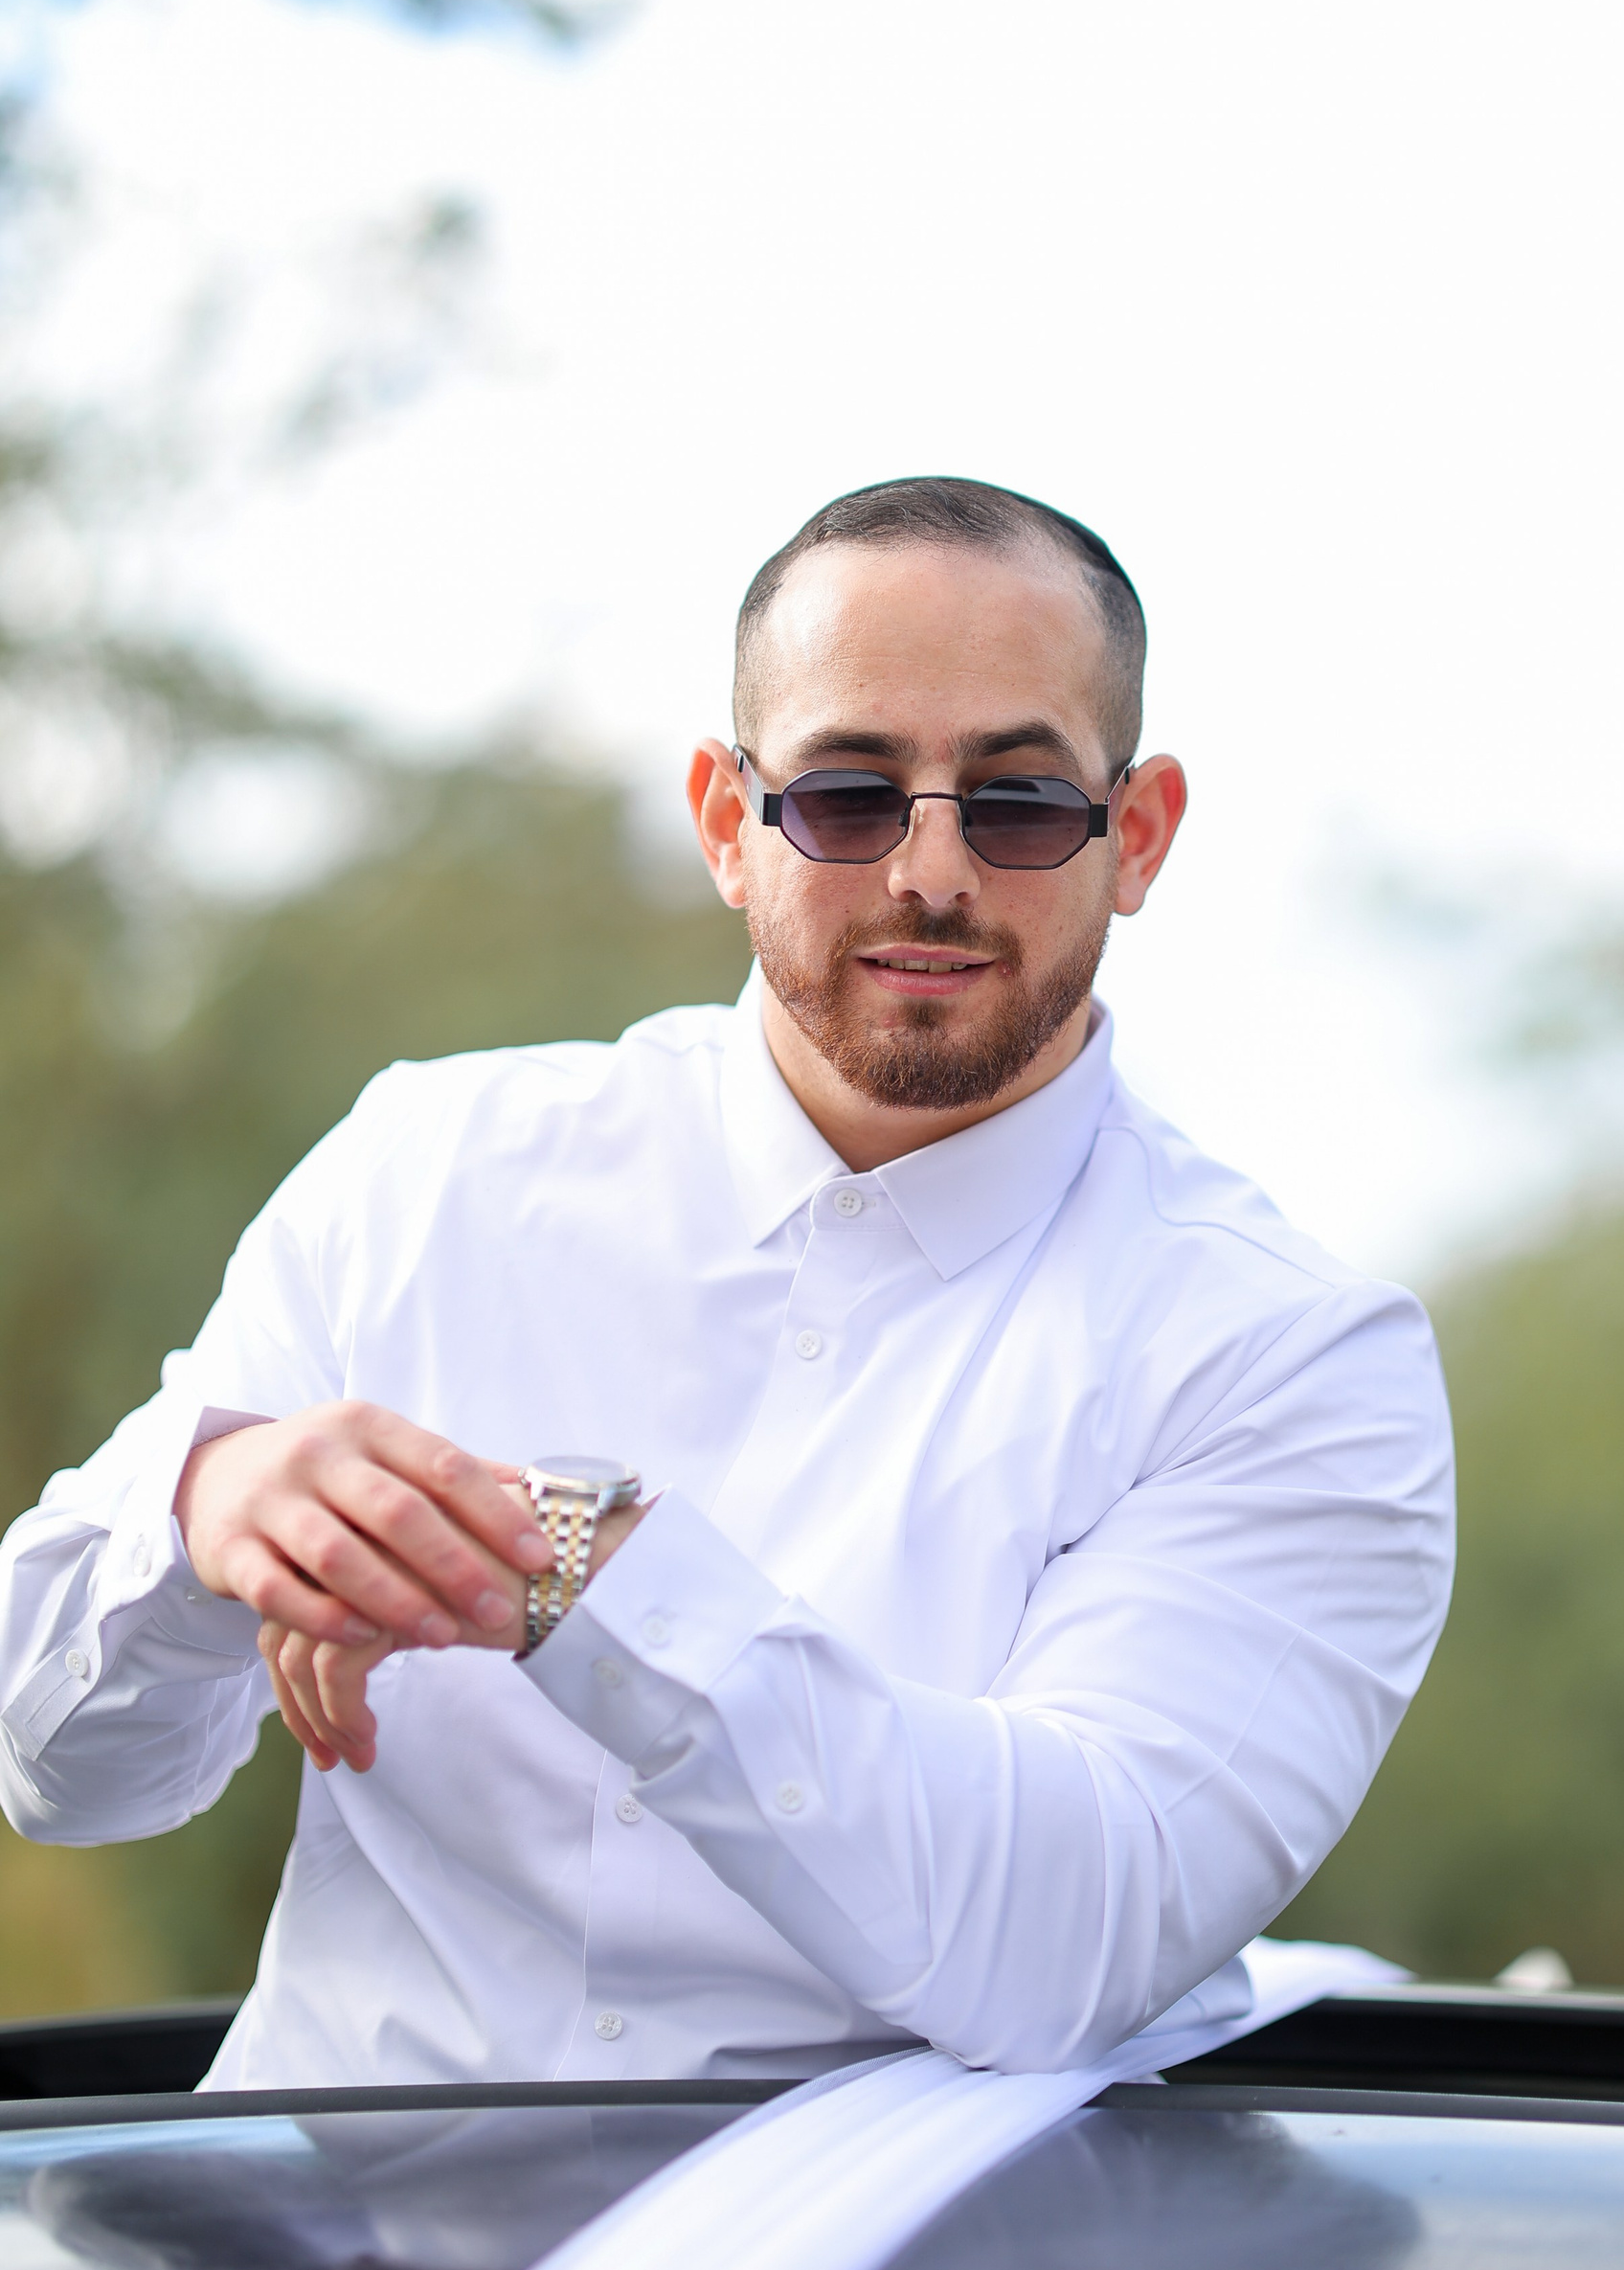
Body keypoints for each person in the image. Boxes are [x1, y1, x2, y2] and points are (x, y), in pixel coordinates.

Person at [0, 477, 1455, 2089]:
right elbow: (64, 1778)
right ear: (722, 820)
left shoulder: (1290, 1360)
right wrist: (204, 1518)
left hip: (910, 2256)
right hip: (320, 2247)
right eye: (847, 794)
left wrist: (573, 1574)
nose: (931, 872)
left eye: (1021, 801)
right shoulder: (429, 1174)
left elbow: (1071, 1936)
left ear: (1142, 834)